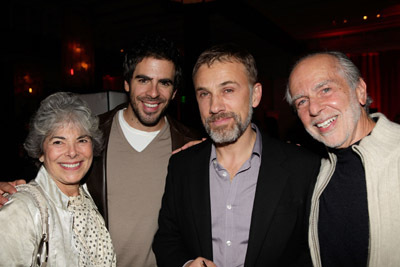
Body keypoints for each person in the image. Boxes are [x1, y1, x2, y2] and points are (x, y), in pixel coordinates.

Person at [0, 35, 202, 267]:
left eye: (164, 82)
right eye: (143, 80)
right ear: (126, 83)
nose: (153, 93)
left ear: (175, 91)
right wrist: (11, 198)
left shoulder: (192, 145)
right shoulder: (94, 135)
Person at [152, 43, 321, 267]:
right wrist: (186, 263)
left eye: (228, 90)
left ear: (255, 95)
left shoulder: (303, 168)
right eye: (204, 94)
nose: (214, 106)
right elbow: (167, 239)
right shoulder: (182, 166)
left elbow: (311, 251)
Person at [286, 51, 400, 267]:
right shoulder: (314, 169)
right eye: (302, 101)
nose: (314, 108)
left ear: (360, 90)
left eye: (325, 90)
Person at [0, 92, 116, 266]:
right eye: (58, 142)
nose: (72, 152)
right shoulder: (22, 209)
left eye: (82, 140)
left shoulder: (87, 200)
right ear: (40, 152)